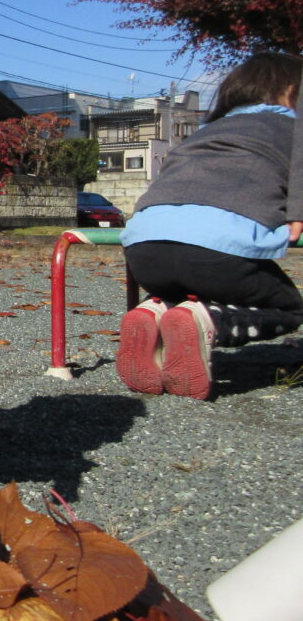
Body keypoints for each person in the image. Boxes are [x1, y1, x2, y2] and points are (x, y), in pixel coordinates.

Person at [118, 52, 303, 400]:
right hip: (217, 250)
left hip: (144, 249)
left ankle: (153, 311)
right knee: (290, 307)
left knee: (185, 293)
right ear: (292, 92)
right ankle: (209, 323)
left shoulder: (205, 133)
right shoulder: (293, 129)